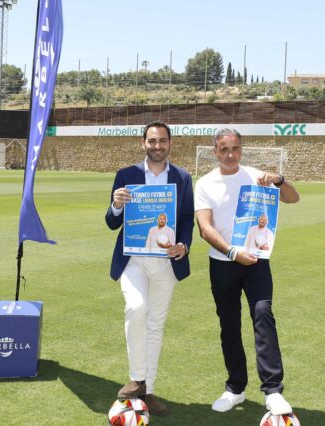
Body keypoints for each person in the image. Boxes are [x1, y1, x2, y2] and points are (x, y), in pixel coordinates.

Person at [194, 128, 300, 415]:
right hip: (223, 262)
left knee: (263, 314)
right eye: (224, 149)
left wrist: (279, 180)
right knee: (229, 325)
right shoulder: (204, 184)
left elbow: (292, 198)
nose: (230, 154)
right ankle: (235, 389)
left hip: (255, 261)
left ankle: (273, 391)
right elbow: (204, 227)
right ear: (215, 151)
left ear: (241, 150)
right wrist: (231, 252)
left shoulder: (256, 176)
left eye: (236, 149)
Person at [105, 121, 193, 416]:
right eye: (152, 141)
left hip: (167, 262)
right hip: (134, 260)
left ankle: (149, 389)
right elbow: (111, 221)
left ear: (170, 143)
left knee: (156, 324)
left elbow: (186, 220)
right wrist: (117, 205)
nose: (157, 146)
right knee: (136, 308)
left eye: (162, 141)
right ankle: (136, 379)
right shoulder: (126, 175)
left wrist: (184, 245)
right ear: (143, 143)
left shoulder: (182, 177)